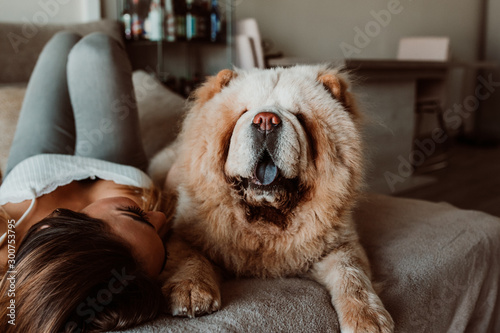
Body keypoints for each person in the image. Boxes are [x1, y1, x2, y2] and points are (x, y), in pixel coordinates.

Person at [0, 31, 171, 332]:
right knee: (96, 49)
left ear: (56, 226)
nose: (161, 217)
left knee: (61, 42)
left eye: (137, 215)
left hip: (33, 163)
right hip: (116, 164)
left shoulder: (7, 242)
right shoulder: (122, 268)